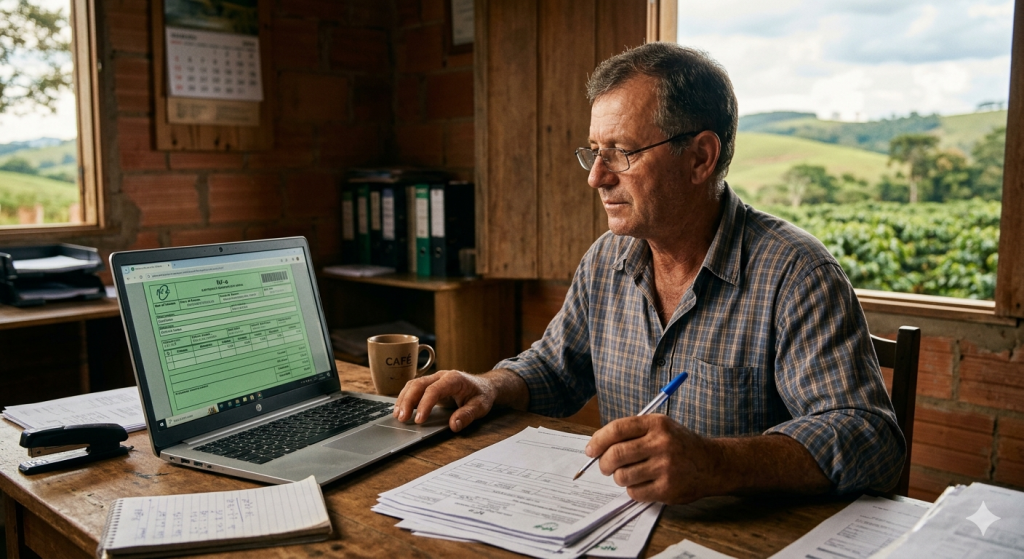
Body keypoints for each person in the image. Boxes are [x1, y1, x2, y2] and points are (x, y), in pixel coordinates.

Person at [393, 42, 905, 504]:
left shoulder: (796, 274)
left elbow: (872, 438)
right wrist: (488, 384)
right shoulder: (605, 260)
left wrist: (716, 464)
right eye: (594, 152)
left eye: (621, 152)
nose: (596, 177)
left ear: (701, 157)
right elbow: (554, 368)